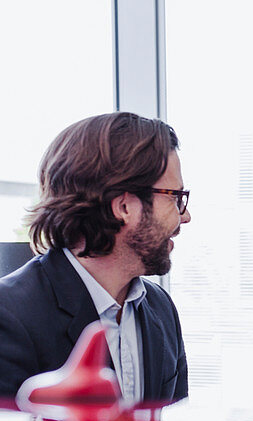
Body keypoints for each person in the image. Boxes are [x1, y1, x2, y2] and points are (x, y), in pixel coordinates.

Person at [0, 112, 190, 405]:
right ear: (124, 206)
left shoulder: (161, 309)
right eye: (175, 197)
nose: (185, 215)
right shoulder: (8, 315)